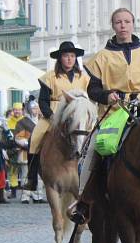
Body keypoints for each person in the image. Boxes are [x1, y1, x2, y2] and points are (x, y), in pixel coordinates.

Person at [68, 8, 140, 224]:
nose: (123, 26)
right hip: (115, 112)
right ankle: (83, 200)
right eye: (118, 22)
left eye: (127, 21)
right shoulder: (101, 58)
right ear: (113, 26)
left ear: (133, 24)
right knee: (93, 147)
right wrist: (106, 95)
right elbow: (92, 90)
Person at [24, 41, 90, 191]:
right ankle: (31, 178)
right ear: (60, 58)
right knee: (35, 138)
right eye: (66, 56)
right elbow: (43, 100)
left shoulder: (84, 78)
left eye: (72, 56)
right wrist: (51, 116)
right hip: (54, 112)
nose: (69, 59)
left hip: (77, 114)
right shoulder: (49, 77)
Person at [15, 100, 43, 204]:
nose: (35, 110)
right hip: (25, 152)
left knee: (39, 175)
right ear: (29, 109)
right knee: (26, 175)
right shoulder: (22, 122)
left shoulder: (42, 121)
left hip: (39, 152)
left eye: (37, 108)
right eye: (33, 108)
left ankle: (38, 196)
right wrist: (29, 144)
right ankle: (25, 196)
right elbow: (18, 138)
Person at [6, 102, 24, 197]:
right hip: (13, 149)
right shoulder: (8, 122)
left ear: (22, 110)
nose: (17, 111)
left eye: (19, 109)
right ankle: (13, 192)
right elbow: (6, 136)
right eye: (15, 109)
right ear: (13, 110)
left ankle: (26, 193)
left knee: (25, 171)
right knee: (13, 171)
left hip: (24, 149)